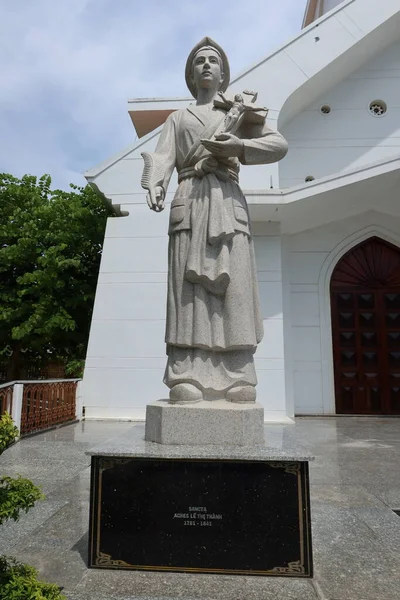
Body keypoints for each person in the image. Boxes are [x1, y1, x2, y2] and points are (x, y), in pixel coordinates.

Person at [141, 37, 288, 404]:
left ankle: (239, 373)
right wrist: (157, 184)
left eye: (213, 61)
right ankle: (186, 374)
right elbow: (162, 158)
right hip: (189, 200)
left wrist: (239, 146)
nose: (206, 65)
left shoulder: (238, 111)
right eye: (199, 61)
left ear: (223, 74)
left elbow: (278, 145)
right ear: (191, 75)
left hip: (227, 201)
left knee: (233, 289)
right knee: (188, 294)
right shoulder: (177, 119)